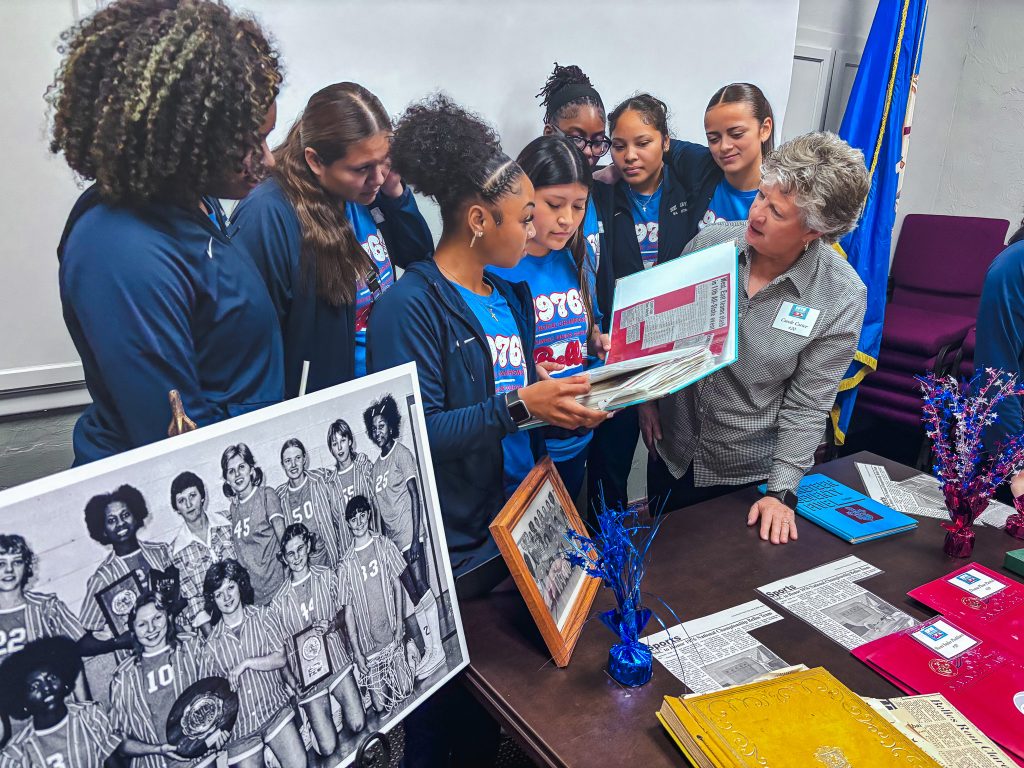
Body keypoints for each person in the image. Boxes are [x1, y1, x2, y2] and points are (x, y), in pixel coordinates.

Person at [368, 94, 607, 768]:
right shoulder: (409, 307)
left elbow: (523, 411)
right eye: (525, 215)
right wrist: (521, 407)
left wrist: (567, 406)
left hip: (512, 533)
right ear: (478, 219)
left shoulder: (508, 298)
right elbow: (415, 438)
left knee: (492, 713)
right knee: (439, 726)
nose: (535, 229)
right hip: (452, 552)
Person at [49, 0, 285, 464]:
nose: (269, 159)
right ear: (193, 136)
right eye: (250, 142)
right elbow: (177, 448)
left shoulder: (196, 202)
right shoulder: (119, 247)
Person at [644, 132, 869, 544]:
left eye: (777, 212)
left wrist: (781, 491)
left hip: (744, 476)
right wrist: (648, 399)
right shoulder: (711, 245)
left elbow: (808, 403)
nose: (758, 214)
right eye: (761, 196)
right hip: (671, 453)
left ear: (815, 231)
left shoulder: (840, 295)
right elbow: (663, 334)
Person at [233, 82, 433, 398]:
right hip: (326, 406)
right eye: (363, 168)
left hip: (382, 390)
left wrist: (397, 194)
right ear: (315, 161)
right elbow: (250, 347)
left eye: (384, 161)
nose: (377, 177)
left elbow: (419, 258)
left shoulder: (366, 191)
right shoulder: (267, 214)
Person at [490, 135, 609, 498]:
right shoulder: (501, 267)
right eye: (554, 204)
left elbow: (588, 328)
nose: (567, 220)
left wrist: (599, 341)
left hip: (578, 434)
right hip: (525, 446)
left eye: (578, 207)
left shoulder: (577, 257)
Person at [363, 394, 443, 678]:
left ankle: (438, 649)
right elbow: (382, 511)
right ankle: (430, 648)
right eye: (374, 428)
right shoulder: (375, 467)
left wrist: (417, 536)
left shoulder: (402, 453)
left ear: (392, 426)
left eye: (382, 426)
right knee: (413, 594)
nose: (378, 432)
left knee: (422, 587)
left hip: (411, 534)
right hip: (394, 541)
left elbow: (415, 496)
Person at [270, 525, 364, 764]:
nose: (297, 556)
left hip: (336, 660)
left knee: (358, 723)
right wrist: (292, 682)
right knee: (328, 747)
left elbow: (346, 614)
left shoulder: (327, 575)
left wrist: (333, 624)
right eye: (290, 553)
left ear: (308, 546)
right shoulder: (278, 603)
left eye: (300, 548)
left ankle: (336, 705)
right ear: (284, 558)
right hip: (308, 678)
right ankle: (318, 719)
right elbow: (279, 650)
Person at [201, 560, 306, 768]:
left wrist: (247, 663)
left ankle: (273, 755)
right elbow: (209, 697)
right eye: (219, 594)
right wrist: (216, 730)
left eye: (230, 587)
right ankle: (269, 757)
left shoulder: (263, 615)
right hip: (240, 729)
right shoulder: (210, 646)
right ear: (213, 600)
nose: (227, 597)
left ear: (240, 585)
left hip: (274, 710)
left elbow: (280, 658)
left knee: (300, 764)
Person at [108, 594, 227, 768]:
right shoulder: (123, 676)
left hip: (200, 756)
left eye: (157, 618)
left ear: (168, 617)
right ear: (132, 630)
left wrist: (220, 729)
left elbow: (220, 693)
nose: (151, 628)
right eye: (142, 624)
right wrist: (158, 749)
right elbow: (120, 742)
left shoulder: (191, 647)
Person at [337, 496, 413, 716]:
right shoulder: (345, 564)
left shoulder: (383, 544)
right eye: (353, 519)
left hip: (390, 634)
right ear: (348, 522)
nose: (359, 522)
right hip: (368, 644)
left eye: (362, 516)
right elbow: (349, 613)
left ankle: (408, 651)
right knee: (380, 706)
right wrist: (358, 653)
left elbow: (397, 587)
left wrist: (400, 624)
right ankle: (381, 673)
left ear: (369, 515)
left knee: (406, 690)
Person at [80, 486, 173, 657]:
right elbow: (85, 641)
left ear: (136, 516)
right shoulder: (102, 578)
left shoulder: (162, 552)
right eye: (111, 520)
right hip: (137, 662)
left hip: (177, 646)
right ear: (102, 529)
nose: (120, 523)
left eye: (125, 515)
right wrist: (120, 641)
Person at [0, 637, 121, 768]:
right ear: (21, 699)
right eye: (34, 687)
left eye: (51, 678)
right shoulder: (17, 752)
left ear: (65, 679)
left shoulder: (90, 715)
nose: (46, 688)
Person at [537, 63, 610, 263]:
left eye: (597, 141)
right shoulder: (530, 196)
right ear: (549, 134)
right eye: (576, 138)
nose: (588, 151)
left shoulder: (603, 193)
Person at [699, 83, 775, 229]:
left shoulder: (783, 198)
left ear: (765, 129)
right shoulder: (700, 177)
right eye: (713, 139)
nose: (724, 147)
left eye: (736, 134)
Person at [167, 472, 236, 632]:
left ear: (203, 497)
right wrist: (213, 640)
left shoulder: (228, 521)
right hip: (215, 624)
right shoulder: (176, 551)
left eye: (193, 496)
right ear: (177, 508)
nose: (189, 504)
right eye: (181, 501)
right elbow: (193, 601)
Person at [220, 444, 286, 606]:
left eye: (241, 467)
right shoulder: (233, 508)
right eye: (231, 471)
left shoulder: (266, 495)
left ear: (251, 469)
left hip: (279, 590)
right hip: (254, 598)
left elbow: (286, 543)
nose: (237, 474)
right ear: (227, 479)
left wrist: (288, 584)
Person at [275, 439, 343, 568]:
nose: (293, 465)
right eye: (288, 461)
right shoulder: (280, 497)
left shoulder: (321, 479)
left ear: (305, 459)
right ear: (283, 465)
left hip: (332, 561)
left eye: (298, 458)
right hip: (304, 569)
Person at [324, 420, 376, 532]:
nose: (339, 447)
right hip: (348, 545)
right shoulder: (330, 484)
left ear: (350, 441)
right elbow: (335, 523)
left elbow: (378, 504)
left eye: (342, 440)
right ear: (331, 449)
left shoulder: (364, 467)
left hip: (372, 538)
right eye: (334, 444)